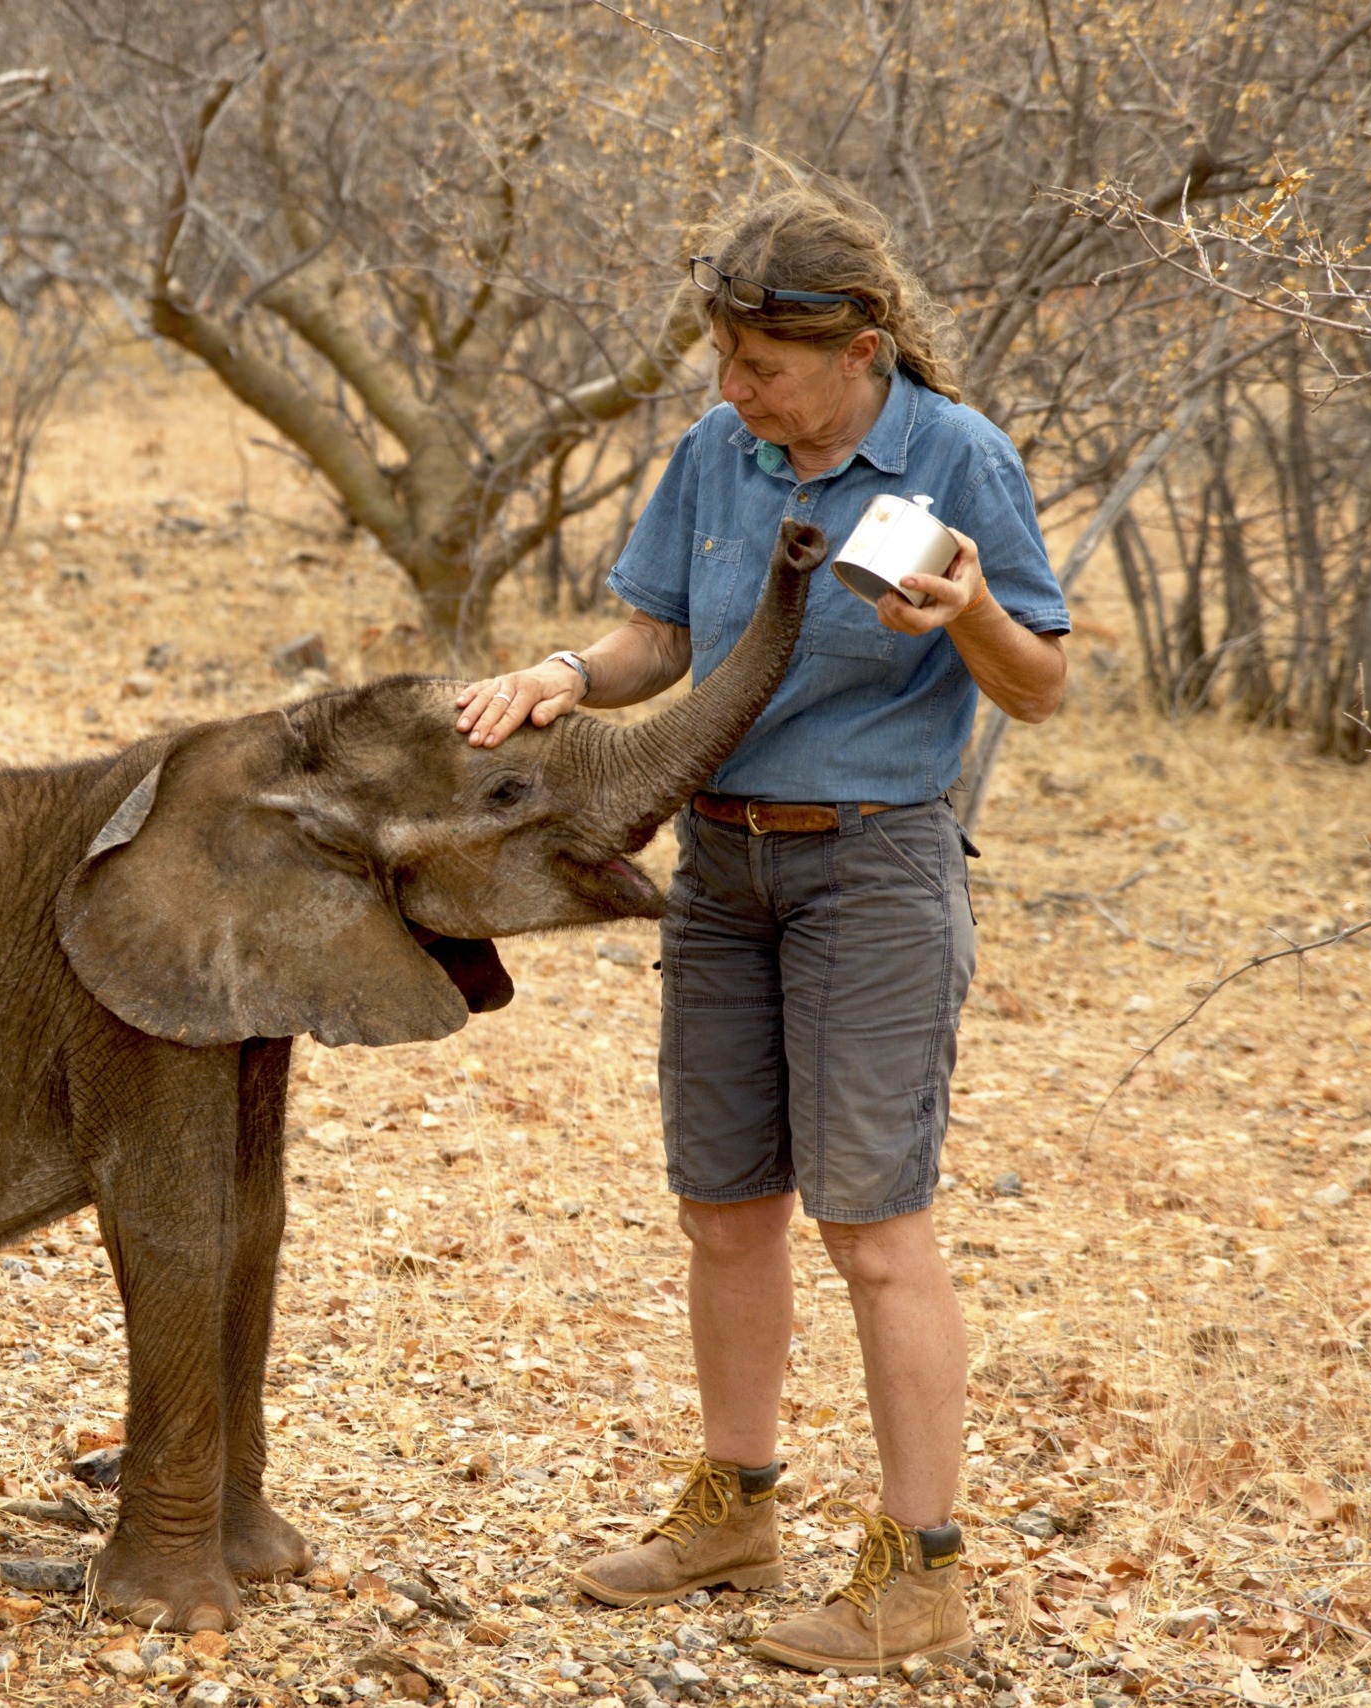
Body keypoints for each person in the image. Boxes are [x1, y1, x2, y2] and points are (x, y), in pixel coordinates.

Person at [455, 186, 1068, 1675]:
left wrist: (974, 620)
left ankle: (920, 1571)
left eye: (764, 366)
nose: (737, 390)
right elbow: (660, 636)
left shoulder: (957, 459)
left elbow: (1040, 684)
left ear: (861, 347)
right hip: (722, 870)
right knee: (724, 1212)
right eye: (727, 361)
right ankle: (736, 1508)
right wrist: (560, 674)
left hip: (873, 870)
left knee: (873, 1226)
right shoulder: (717, 456)